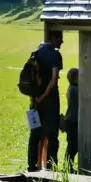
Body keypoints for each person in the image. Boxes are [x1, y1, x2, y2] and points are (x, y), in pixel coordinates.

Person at [27, 30, 63, 171]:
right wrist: (44, 97)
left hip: (34, 101)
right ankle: (50, 166)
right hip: (50, 101)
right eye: (60, 38)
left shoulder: (35, 53)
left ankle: (32, 165)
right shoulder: (55, 55)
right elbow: (53, 80)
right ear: (54, 38)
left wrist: (34, 99)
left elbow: (30, 78)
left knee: (35, 133)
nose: (61, 41)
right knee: (52, 134)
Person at [62, 68, 79, 164]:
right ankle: (68, 164)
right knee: (73, 145)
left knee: (72, 144)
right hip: (73, 120)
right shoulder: (74, 90)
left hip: (71, 119)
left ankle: (68, 164)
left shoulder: (71, 88)